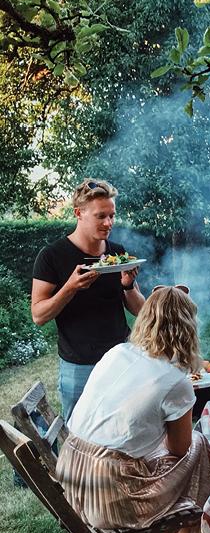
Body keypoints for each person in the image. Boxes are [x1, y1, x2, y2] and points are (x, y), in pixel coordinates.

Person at [56, 286, 210, 533]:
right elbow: (179, 450)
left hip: (70, 481)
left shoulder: (117, 352)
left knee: (183, 463)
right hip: (109, 498)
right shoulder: (175, 380)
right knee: (198, 448)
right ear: (188, 328)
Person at [31, 178, 145, 422]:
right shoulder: (52, 256)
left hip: (120, 359)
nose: (108, 223)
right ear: (78, 213)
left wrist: (127, 286)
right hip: (78, 366)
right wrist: (70, 288)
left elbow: (140, 310)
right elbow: (38, 315)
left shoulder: (117, 252)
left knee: (124, 427)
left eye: (112, 215)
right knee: (77, 432)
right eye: (100, 216)